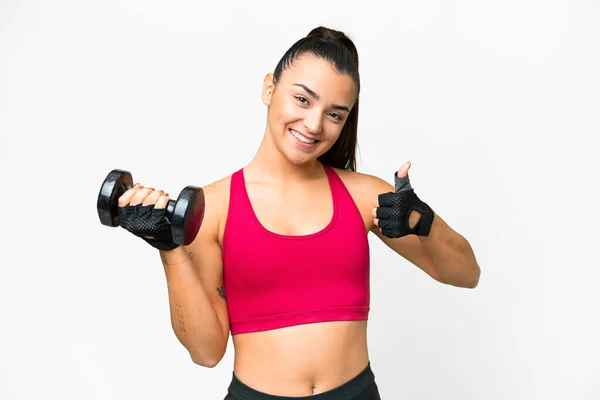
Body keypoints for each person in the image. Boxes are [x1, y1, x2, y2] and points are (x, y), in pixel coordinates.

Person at [115, 26, 481, 400]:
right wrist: (169, 248)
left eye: (335, 115)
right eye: (303, 100)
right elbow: (206, 353)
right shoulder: (214, 207)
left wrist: (423, 222)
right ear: (269, 89)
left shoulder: (364, 195)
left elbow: (467, 274)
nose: (314, 125)